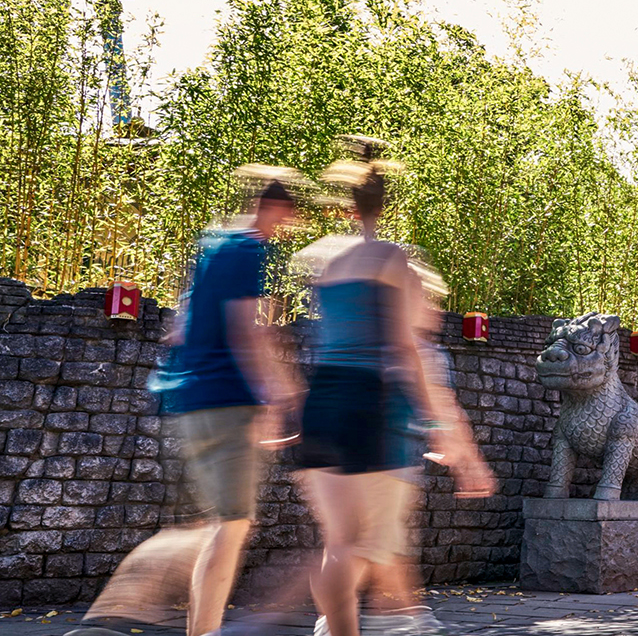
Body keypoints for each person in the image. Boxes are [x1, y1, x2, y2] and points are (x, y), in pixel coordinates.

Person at [69, 170, 302, 636]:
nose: (284, 228)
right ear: (273, 209)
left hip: (186, 398)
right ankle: (194, 630)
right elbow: (243, 329)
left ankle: (112, 612)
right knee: (233, 524)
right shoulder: (249, 250)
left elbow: (179, 325)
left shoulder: (212, 245)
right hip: (226, 400)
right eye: (286, 218)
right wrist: (277, 394)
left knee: (210, 524)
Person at [297, 156, 491, 636]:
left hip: (321, 402)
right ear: (384, 206)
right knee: (369, 545)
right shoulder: (390, 259)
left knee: (338, 541)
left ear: (346, 206)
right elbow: (406, 348)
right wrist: (452, 437)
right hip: (370, 404)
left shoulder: (322, 260)